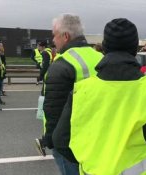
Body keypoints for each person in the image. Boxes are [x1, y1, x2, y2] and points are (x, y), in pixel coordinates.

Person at [52, 18, 146, 175]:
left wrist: (90, 160)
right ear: (135, 48)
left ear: (105, 47)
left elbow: (61, 140)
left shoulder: (81, 90)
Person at [35, 13, 103, 175]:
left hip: (68, 140)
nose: (52, 40)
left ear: (65, 36)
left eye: (54, 35)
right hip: (97, 133)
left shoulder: (63, 63)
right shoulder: (100, 57)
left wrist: (50, 139)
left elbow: (54, 109)